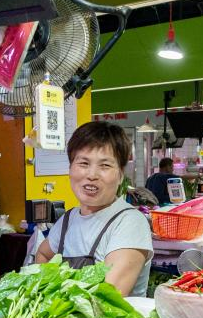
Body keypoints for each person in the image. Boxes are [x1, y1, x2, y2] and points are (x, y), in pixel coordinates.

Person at [35, 121, 153, 296]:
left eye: (105, 165)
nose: (92, 175)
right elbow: (43, 255)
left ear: (121, 175)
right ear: (70, 169)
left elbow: (109, 295)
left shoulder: (129, 222)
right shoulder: (68, 220)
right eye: (83, 163)